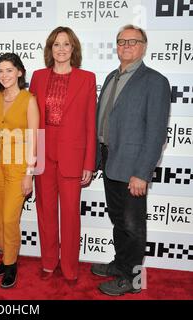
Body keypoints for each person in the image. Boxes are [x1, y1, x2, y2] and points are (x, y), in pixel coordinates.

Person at [91, 25, 171, 296]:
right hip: (110, 159)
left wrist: (142, 173)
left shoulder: (155, 81)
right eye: (121, 41)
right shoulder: (113, 76)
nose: (126, 46)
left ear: (144, 46)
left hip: (133, 165)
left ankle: (134, 280)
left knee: (133, 225)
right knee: (118, 220)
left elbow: (156, 132)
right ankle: (121, 264)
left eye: (132, 41)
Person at [29, 26, 96, 283]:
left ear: (73, 49)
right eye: (56, 44)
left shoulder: (87, 78)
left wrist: (88, 162)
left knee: (69, 214)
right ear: (50, 49)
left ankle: (69, 267)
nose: (61, 49)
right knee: (45, 211)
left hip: (73, 155)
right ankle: (48, 262)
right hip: (44, 151)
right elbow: (31, 119)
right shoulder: (38, 76)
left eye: (66, 44)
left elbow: (90, 122)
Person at [0, 53, 39, 288]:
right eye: (0, 71)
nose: (4, 75)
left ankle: (11, 264)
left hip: (19, 167)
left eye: (9, 70)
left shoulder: (29, 100)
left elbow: (34, 139)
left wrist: (29, 174)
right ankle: (5, 254)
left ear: (19, 72)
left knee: (10, 217)